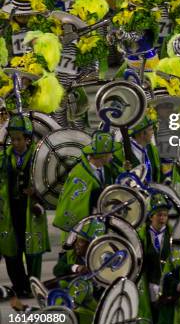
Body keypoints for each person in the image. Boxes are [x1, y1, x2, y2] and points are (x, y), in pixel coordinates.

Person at [0, 114, 50, 310]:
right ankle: (19, 285)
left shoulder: (39, 158)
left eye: (19, 139)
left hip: (31, 211)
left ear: (28, 139)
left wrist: (36, 191)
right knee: (12, 250)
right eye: (12, 138)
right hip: (10, 211)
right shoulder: (4, 159)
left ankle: (33, 284)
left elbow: (49, 183)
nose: (15, 142)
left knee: (33, 251)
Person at [53, 131, 122, 234]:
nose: (113, 156)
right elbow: (74, 205)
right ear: (103, 155)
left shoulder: (107, 168)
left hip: (99, 225)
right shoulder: (79, 174)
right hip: (82, 232)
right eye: (111, 152)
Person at [137, 193, 172, 324]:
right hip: (148, 285)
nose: (162, 218)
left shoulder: (174, 235)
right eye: (159, 215)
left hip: (166, 286)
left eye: (165, 215)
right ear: (151, 216)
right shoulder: (141, 235)